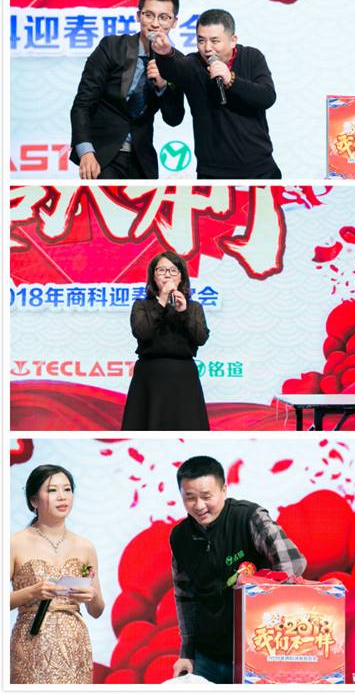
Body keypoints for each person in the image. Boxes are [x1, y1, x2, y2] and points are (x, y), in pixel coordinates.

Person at [170, 456, 307, 684]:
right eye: (190, 498)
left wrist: (264, 592)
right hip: (207, 656)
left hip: (256, 653)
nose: (199, 506)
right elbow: (185, 597)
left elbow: (293, 564)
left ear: (224, 490)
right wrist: (187, 653)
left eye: (206, 496)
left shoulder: (249, 517)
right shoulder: (180, 537)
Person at [70, 0, 185, 179]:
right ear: (138, 16)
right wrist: (86, 151)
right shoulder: (111, 47)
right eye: (149, 15)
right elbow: (83, 103)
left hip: (142, 160)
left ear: (174, 22)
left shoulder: (177, 62)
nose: (155, 24)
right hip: (102, 156)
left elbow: (174, 118)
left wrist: (163, 85)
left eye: (164, 17)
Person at [152, 8, 281, 179]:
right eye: (201, 41)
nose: (207, 48)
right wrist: (165, 54)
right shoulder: (193, 64)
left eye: (215, 41)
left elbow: (267, 96)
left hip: (260, 170)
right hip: (212, 173)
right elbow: (173, 70)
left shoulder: (252, 57)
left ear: (233, 40)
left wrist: (231, 80)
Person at [10, 465, 104, 684]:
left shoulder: (85, 547)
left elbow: (97, 610)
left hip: (75, 646)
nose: (62, 496)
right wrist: (32, 592)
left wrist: (91, 597)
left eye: (67, 489)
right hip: (31, 644)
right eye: (52, 490)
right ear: (34, 500)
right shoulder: (15, 543)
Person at [121, 251, 210, 431]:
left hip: (184, 377)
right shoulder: (141, 305)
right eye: (162, 270)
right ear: (153, 276)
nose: (167, 275)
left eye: (173, 270)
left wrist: (184, 312)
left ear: (181, 277)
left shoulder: (193, 307)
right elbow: (142, 333)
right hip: (149, 377)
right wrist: (162, 300)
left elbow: (201, 338)